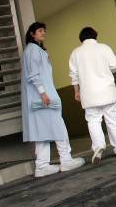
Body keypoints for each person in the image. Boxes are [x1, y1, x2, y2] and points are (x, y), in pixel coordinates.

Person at [21, 22, 85, 177]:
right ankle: (66, 159)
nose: (43, 33)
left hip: (40, 98)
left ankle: (42, 166)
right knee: (58, 127)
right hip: (44, 98)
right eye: (40, 31)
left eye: (44, 31)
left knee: (42, 132)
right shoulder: (33, 50)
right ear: (32, 34)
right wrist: (43, 93)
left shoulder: (35, 50)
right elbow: (34, 75)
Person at [69, 27, 116, 164]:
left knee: (93, 120)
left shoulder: (75, 53)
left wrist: (76, 91)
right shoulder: (104, 48)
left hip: (88, 93)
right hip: (106, 90)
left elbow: (74, 75)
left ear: (81, 39)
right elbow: (114, 65)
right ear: (95, 36)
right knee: (112, 119)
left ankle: (99, 145)